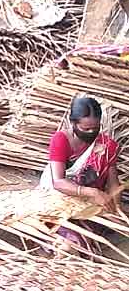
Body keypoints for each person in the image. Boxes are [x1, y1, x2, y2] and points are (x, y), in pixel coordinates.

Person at [40, 96, 122, 250]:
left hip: (88, 202)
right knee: (75, 240)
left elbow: (113, 183)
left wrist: (115, 207)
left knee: (105, 226)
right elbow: (57, 182)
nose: (91, 132)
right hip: (61, 196)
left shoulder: (107, 146)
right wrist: (92, 192)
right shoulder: (61, 140)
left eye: (96, 128)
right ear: (73, 123)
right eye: (85, 129)